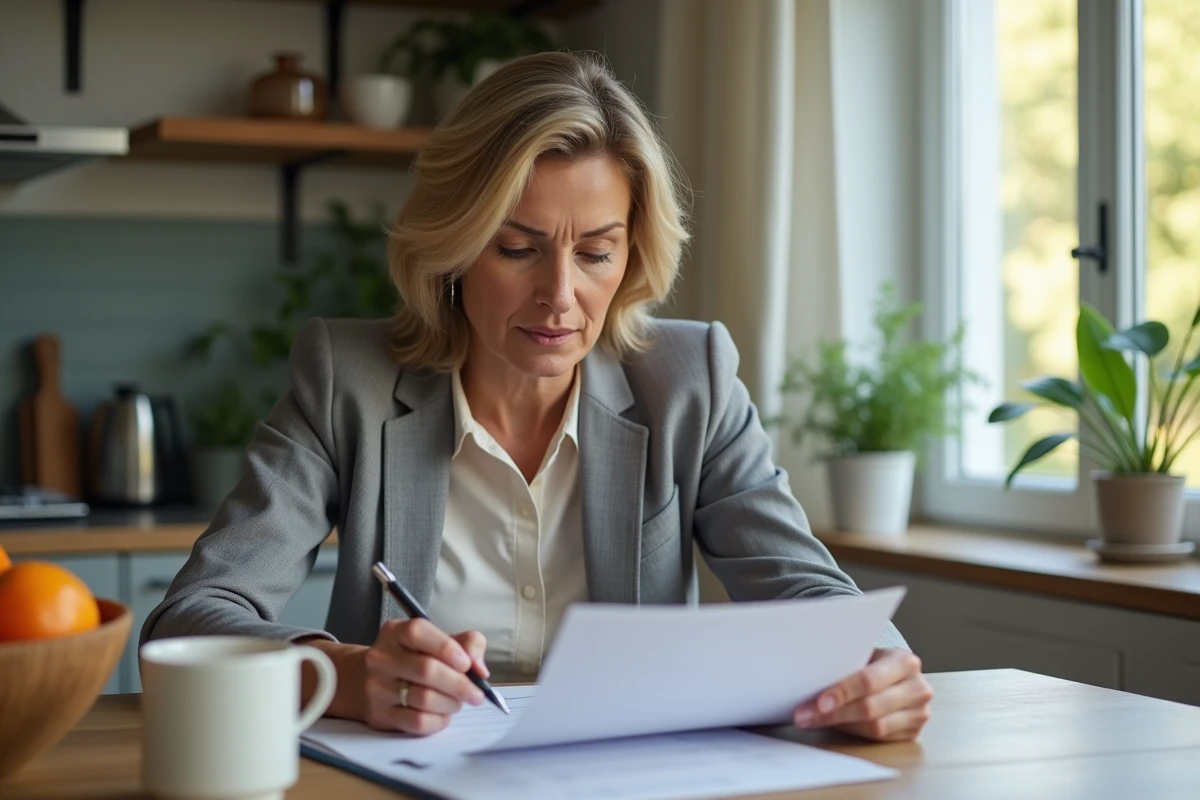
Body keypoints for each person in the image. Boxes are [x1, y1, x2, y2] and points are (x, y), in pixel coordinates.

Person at [143, 51, 932, 743]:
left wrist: (877, 666)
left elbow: (809, 591)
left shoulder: (689, 381)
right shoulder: (348, 381)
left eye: (596, 252)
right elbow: (189, 620)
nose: (560, 295)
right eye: (517, 248)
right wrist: (347, 675)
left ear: (631, 254)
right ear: (452, 245)